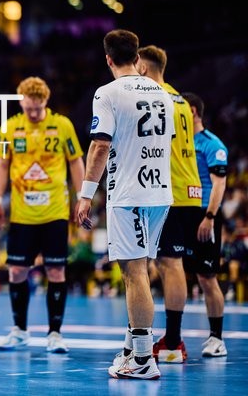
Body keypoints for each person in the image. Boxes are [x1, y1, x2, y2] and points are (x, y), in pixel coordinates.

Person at [76, 29, 174, 380]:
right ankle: (133, 348)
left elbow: (100, 146)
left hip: (130, 195)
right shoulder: (163, 92)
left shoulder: (107, 93)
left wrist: (85, 194)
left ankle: (145, 359)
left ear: (108, 59)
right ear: (137, 57)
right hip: (160, 192)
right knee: (139, 271)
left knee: (134, 274)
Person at [0, 76, 84, 354]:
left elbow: (76, 162)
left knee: (56, 270)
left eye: (38, 107)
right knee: (17, 270)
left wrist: (83, 198)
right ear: (21, 101)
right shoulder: (10, 127)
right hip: (22, 213)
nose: (33, 113)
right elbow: (1, 164)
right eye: (28, 107)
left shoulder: (62, 125)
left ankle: (55, 333)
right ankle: (19, 330)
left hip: (55, 210)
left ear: (46, 101)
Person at [137, 45, 203, 363]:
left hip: (169, 190)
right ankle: (172, 338)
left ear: (145, 68)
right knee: (169, 263)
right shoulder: (180, 98)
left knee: (169, 263)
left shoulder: (154, 98)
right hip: (189, 189)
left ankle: (173, 342)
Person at [181, 92, 229, 357]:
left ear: (194, 111)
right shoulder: (178, 143)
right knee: (172, 270)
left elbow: (219, 183)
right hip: (182, 213)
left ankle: (217, 339)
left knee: (207, 277)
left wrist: (209, 217)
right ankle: (173, 335)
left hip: (204, 215)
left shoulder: (212, 144)